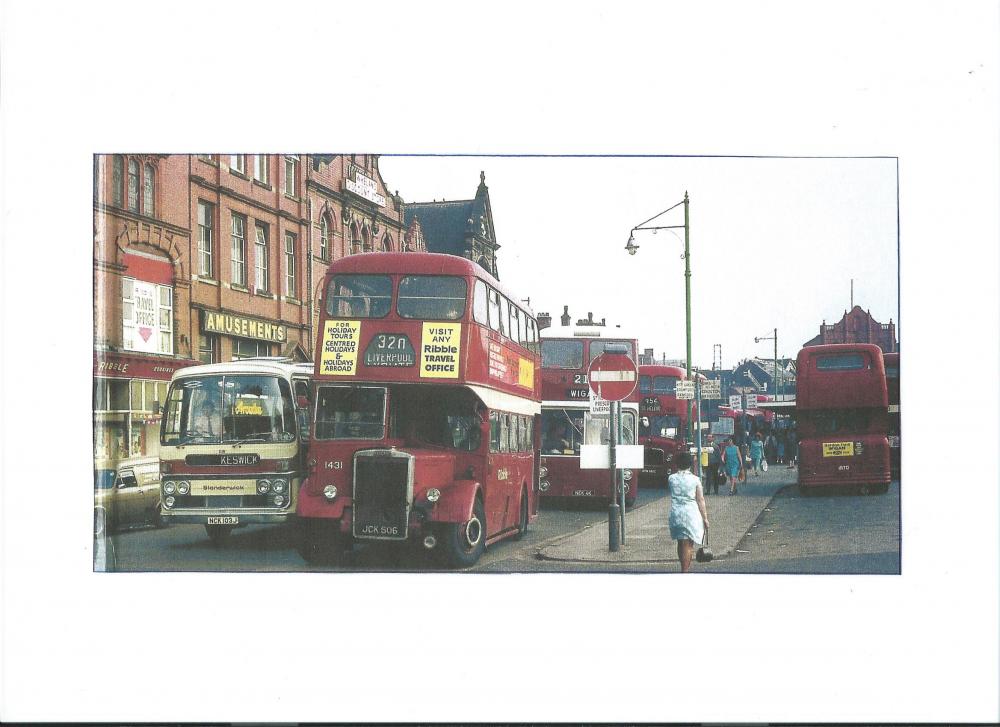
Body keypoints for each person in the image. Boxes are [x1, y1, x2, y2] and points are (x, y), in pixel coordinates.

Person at [667, 451, 709, 573]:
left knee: (681, 542)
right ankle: (685, 571)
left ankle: (683, 567)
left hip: (676, 513)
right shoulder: (695, 480)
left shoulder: (671, 478)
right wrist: (705, 518)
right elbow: (700, 500)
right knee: (688, 545)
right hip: (690, 513)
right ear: (690, 464)